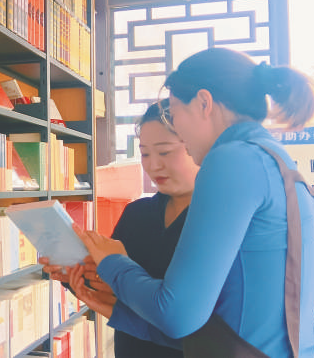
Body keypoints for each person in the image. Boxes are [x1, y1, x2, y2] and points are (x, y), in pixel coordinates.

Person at [70, 48, 314, 358]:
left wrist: (113, 261)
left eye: (174, 113)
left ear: (204, 103)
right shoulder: (277, 161)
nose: (179, 131)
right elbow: (231, 327)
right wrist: (117, 309)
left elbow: (177, 315)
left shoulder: (232, 159)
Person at [40, 100, 199, 357]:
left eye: (165, 152)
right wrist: (75, 273)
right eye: (145, 154)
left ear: (197, 146)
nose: (153, 165)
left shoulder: (216, 222)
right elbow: (110, 286)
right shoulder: (136, 213)